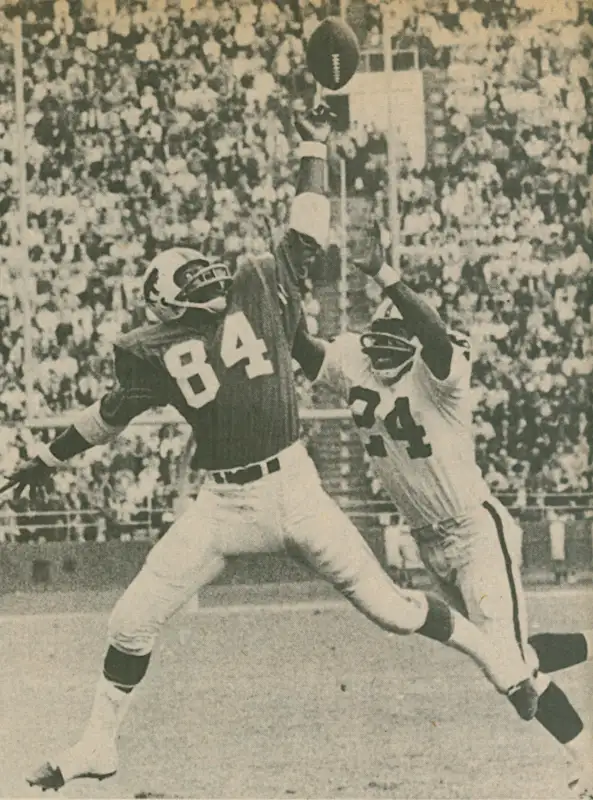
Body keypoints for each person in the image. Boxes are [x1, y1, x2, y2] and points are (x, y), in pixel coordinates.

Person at [5, 108, 535, 792]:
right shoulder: (253, 282)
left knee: (388, 608)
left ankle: (500, 662)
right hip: (228, 500)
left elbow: (102, 421)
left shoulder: (174, 332)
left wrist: (46, 458)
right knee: (133, 617)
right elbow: (307, 222)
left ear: (159, 305)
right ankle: (97, 744)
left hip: (287, 489)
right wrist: (313, 142)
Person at [291, 222, 593, 799]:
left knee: (513, 668)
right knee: (504, 660)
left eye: (394, 335)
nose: (379, 346)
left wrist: (385, 274)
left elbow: (431, 332)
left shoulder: (443, 377)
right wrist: (278, 299)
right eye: (376, 334)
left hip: (473, 529)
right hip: (429, 539)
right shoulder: (355, 359)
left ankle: (584, 756)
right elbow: (307, 351)